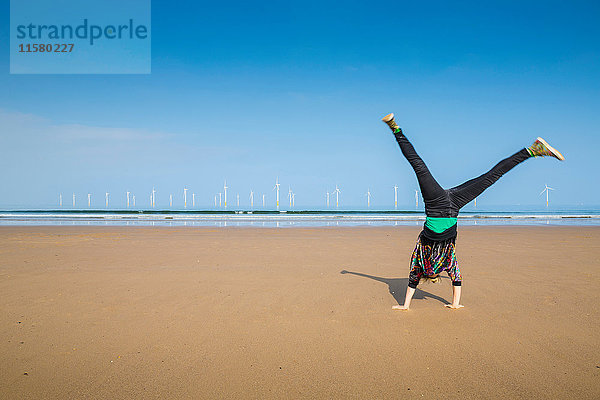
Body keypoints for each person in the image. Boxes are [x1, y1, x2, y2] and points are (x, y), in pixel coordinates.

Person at [381, 113, 565, 311]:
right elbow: (457, 280)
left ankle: (395, 127)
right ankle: (533, 150)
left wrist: (405, 306)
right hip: (454, 207)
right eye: (437, 278)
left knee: (419, 166)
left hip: (435, 205)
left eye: (433, 279)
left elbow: (411, 284)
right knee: (491, 177)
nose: (436, 277)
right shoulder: (447, 262)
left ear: (428, 276)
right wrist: (455, 304)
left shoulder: (419, 265)